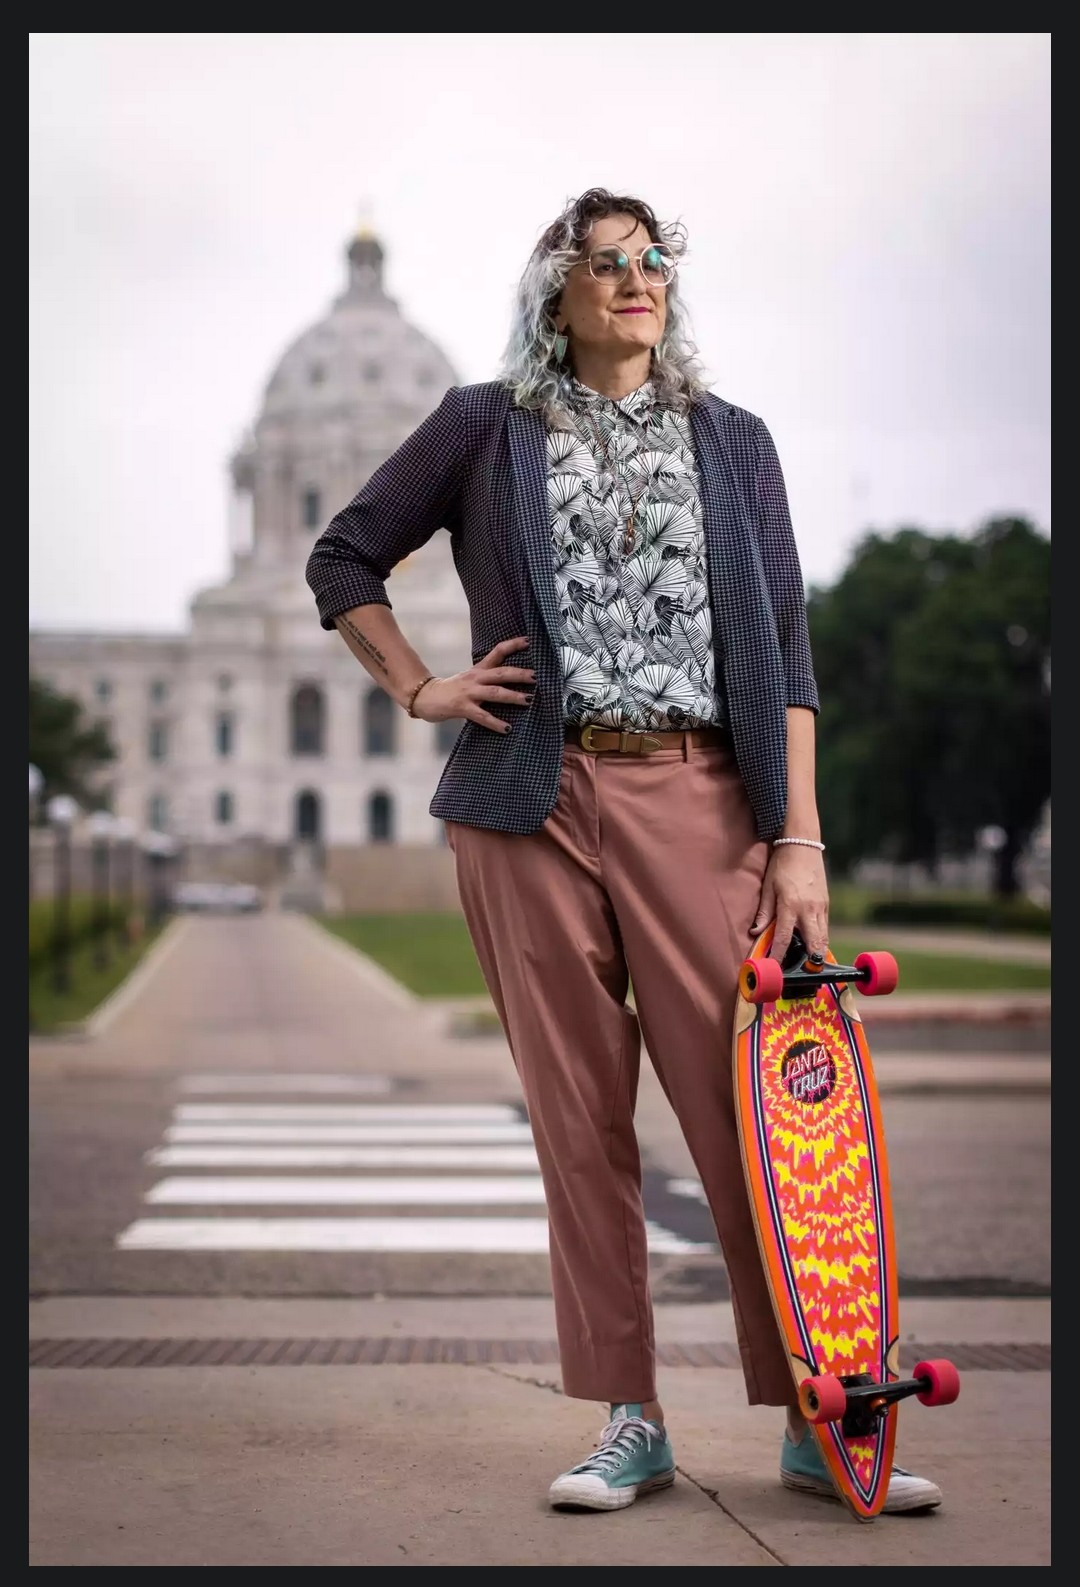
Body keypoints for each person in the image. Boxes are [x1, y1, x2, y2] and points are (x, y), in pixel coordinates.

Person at [305, 187, 941, 1516]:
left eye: (654, 260)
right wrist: (421, 687)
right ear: (561, 293)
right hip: (530, 802)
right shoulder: (484, 426)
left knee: (752, 1122)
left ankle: (818, 1416)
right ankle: (629, 1418)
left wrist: (799, 841)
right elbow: (345, 556)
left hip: (699, 792)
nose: (638, 280)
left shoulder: (735, 442)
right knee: (580, 1129)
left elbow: (789, 656)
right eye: (608, 264)